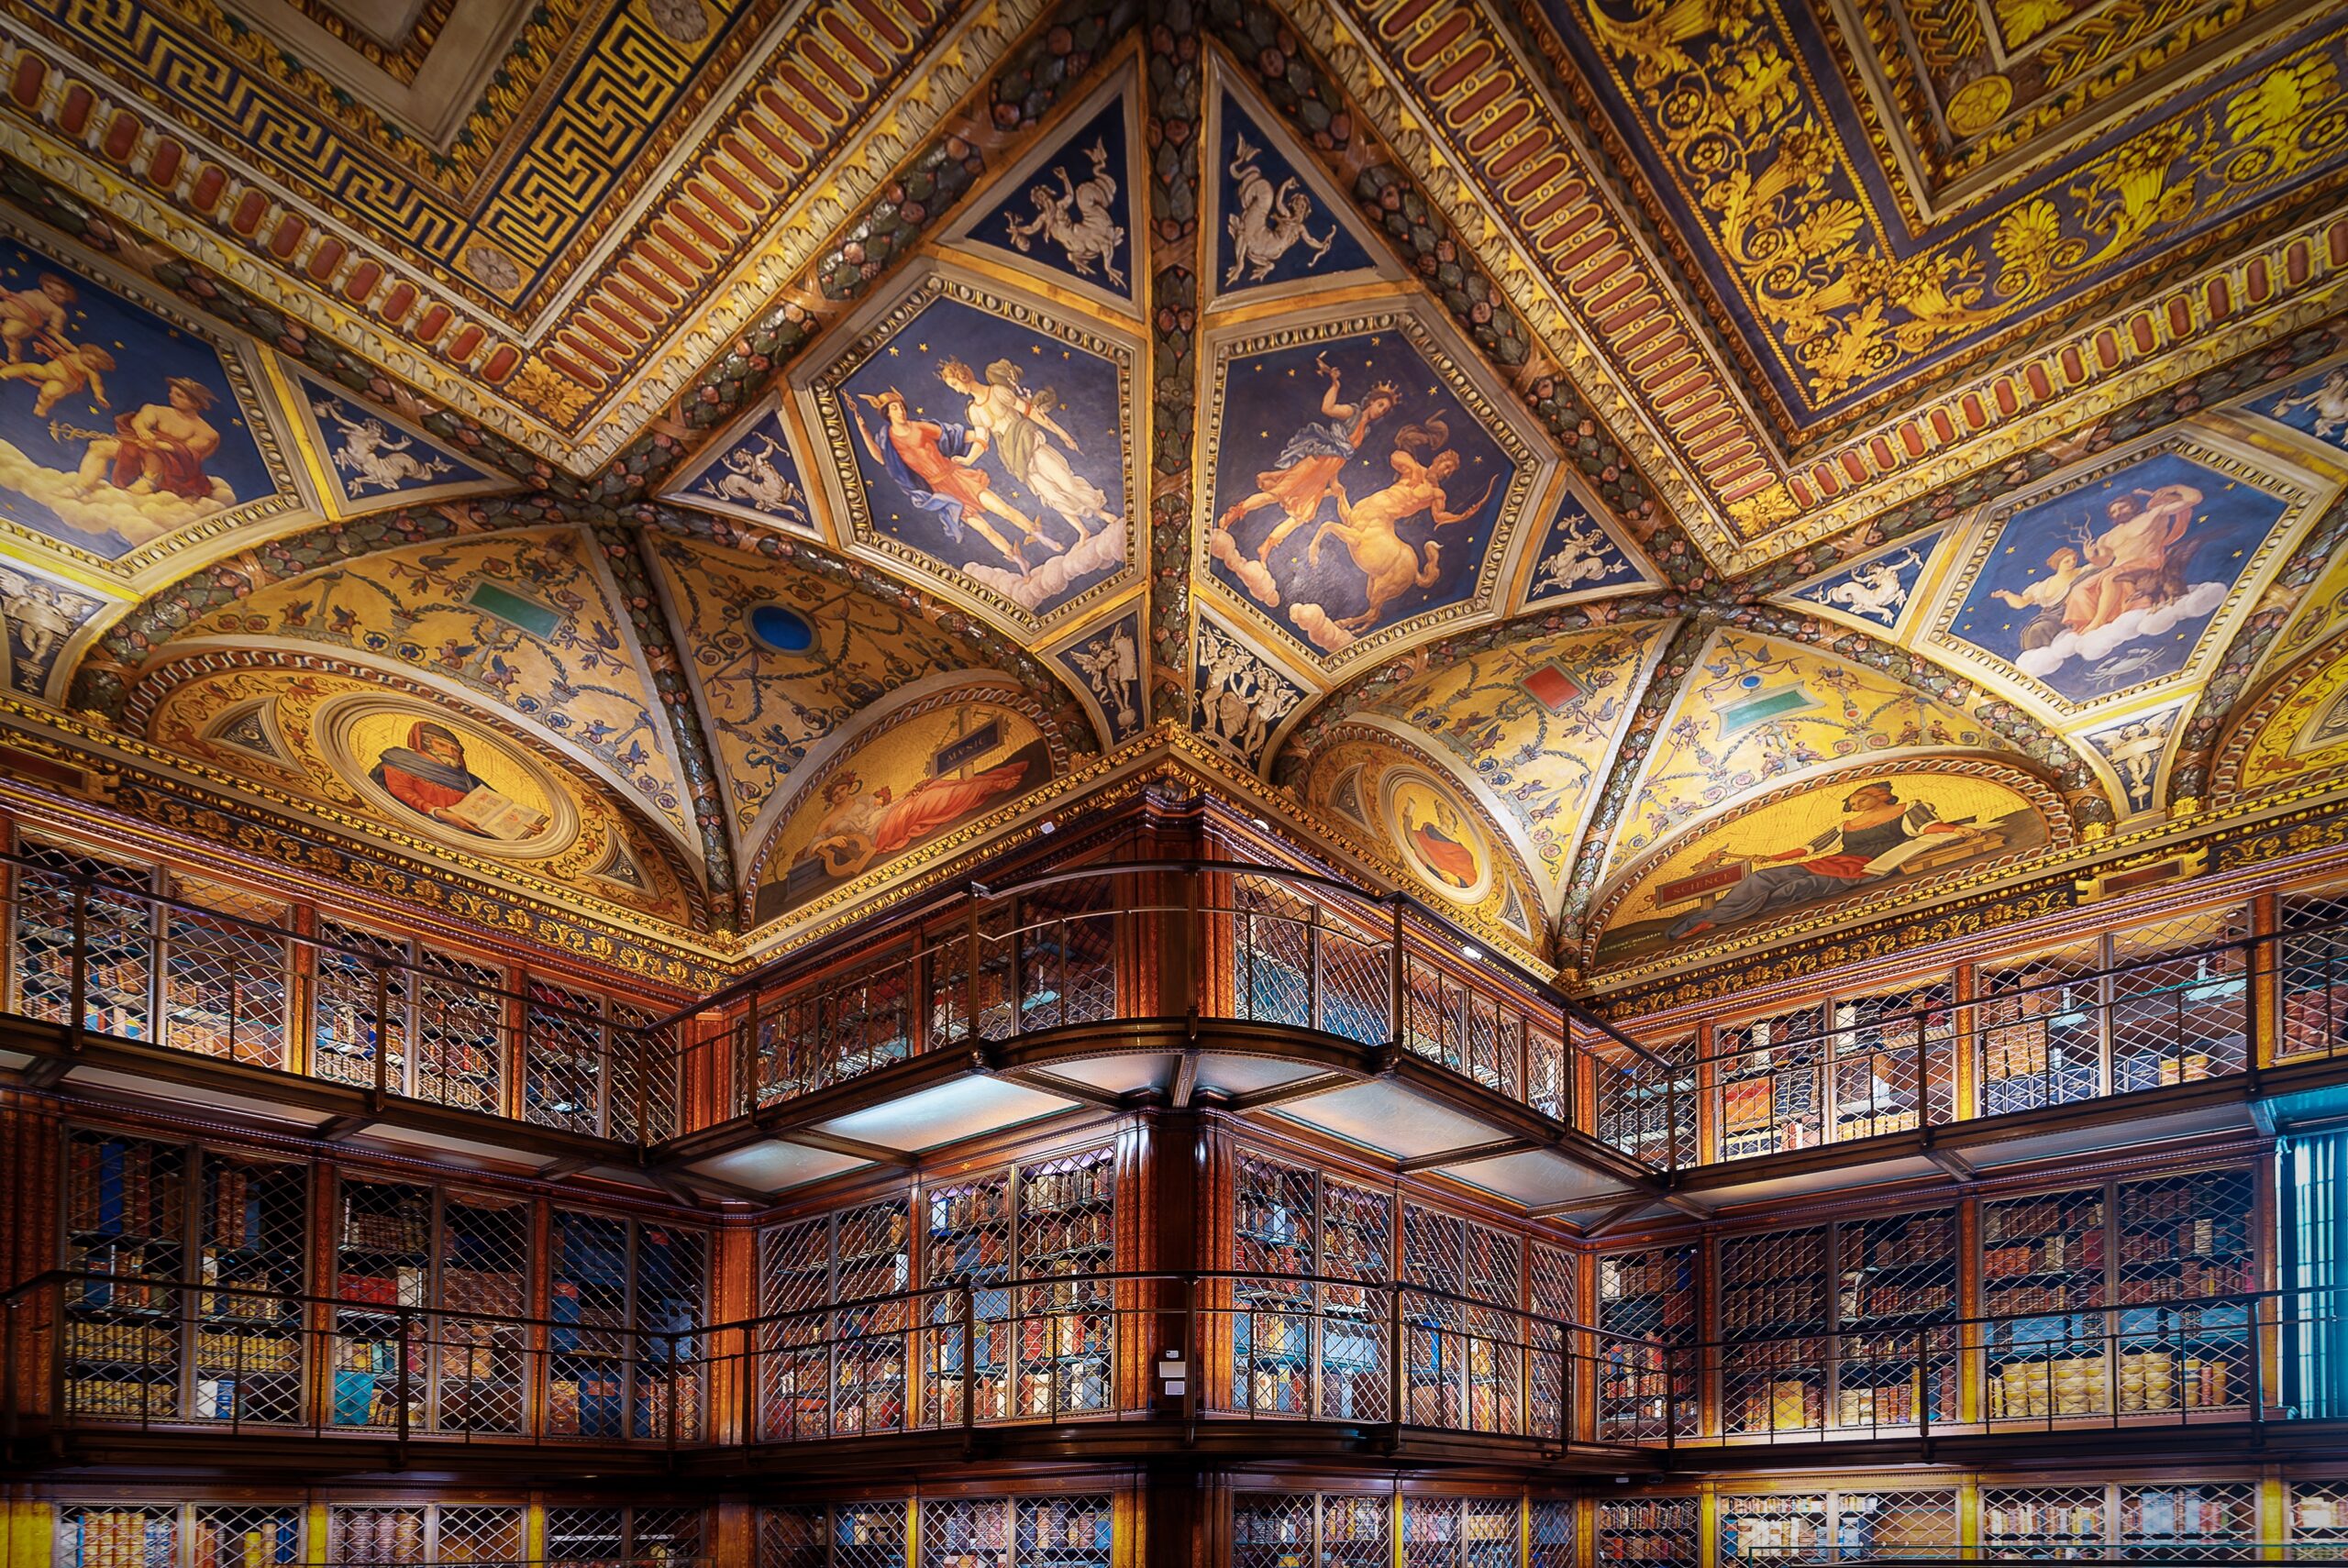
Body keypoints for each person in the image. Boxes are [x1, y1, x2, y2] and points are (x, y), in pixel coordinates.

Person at [1666, 782, 1973, 939]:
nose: (1856, 804)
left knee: (1796, 889)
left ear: (1880, 794)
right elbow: (1810, 848)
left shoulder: (1907, 809)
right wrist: (1772, 857)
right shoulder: (1847, 825)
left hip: (1869, 866)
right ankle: (1712, 918)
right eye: (1853, 802)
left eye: (1861, 798)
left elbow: (1927, 827)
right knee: (1761, 878)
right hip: (1835, 862)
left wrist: (1956, 829)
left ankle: (1718, 919)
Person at [1217, 353, 1400, 565]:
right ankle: (1234, 513)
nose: (1381, 411)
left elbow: (1340, 458)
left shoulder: (1365, 431)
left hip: (1323, 475)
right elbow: (1327, 409)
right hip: (1314, 463)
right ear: (1372, 401)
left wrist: (1334, 481)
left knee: (1301, 516)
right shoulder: (1353, 413)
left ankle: (1266, 546)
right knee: (1277, 493)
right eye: (1380, 405)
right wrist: (1335, 385)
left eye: (1385, 410)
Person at [851, 388, 1045, 575]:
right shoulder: (889, 442)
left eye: (901, 406)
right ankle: (1019, 560)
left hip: (956, 476)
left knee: (1003, 509)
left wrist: (983, 434)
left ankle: (1039, 535)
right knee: (984, 529)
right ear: (887, 413)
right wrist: (863, 430)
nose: (900, 411)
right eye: (895, 408)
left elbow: (954, 436)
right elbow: (882, 458)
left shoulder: (919, 427)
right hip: (941, 491)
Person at [937, 358, 1118, 546]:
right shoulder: (974, 411)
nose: (956, 390)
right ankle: (1082, 531)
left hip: (1032, 445)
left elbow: (1031, 413)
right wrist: (968, 460)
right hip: (1015, 458)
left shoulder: (997, 392)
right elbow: (982, 440)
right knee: (1050, 495)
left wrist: (1061, 433)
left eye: (955, 384)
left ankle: (1099, 512)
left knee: (1068, 484)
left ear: (962, 376)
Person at [369, 722, 539, 838]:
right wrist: (440, 813)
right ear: (426, 744)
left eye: (455, 749)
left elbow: (501, 809)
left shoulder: (469, 780)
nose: (450, 752)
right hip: (426, 826)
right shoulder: (401, 762)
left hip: (470, 833)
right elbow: (402, 792)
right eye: (442, 745)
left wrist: (524, 824)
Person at [72, 376, 223, 499]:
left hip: (174, 468)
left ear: (195, 403)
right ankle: (81, 486)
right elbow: (141, 420)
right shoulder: (157, 410)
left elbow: (188, 453)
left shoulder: (207, 432)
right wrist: (142, 430)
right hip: (141, 447)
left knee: (153, 452)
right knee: (98, 447)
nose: (171, 396)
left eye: (179, 395)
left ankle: (148, 482)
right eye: (171, 392)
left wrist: (156, 445)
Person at [0, 341, 112, 417]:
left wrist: (99, 395)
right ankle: (5, 372)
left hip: (62, 382)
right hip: (48, 370)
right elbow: (65, 343)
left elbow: (96, 384)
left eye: (94, 363)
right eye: (89, 358)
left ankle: (41, 408)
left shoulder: (91, 371)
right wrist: (55, 334)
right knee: (30, 368)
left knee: (48, 393)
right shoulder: (75, 352)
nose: (90, 362)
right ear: (85, 352)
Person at [0, 273, 77, 363]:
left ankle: (14, 354)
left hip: (24, 321)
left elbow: (56, 326)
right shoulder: (36, 292)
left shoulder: (58, 311)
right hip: (9, 307)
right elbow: (18, 296)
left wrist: (54, 330)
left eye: (59, 293)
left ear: (66, 298)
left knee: (8, 332)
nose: (52, 293)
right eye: (49, 287)